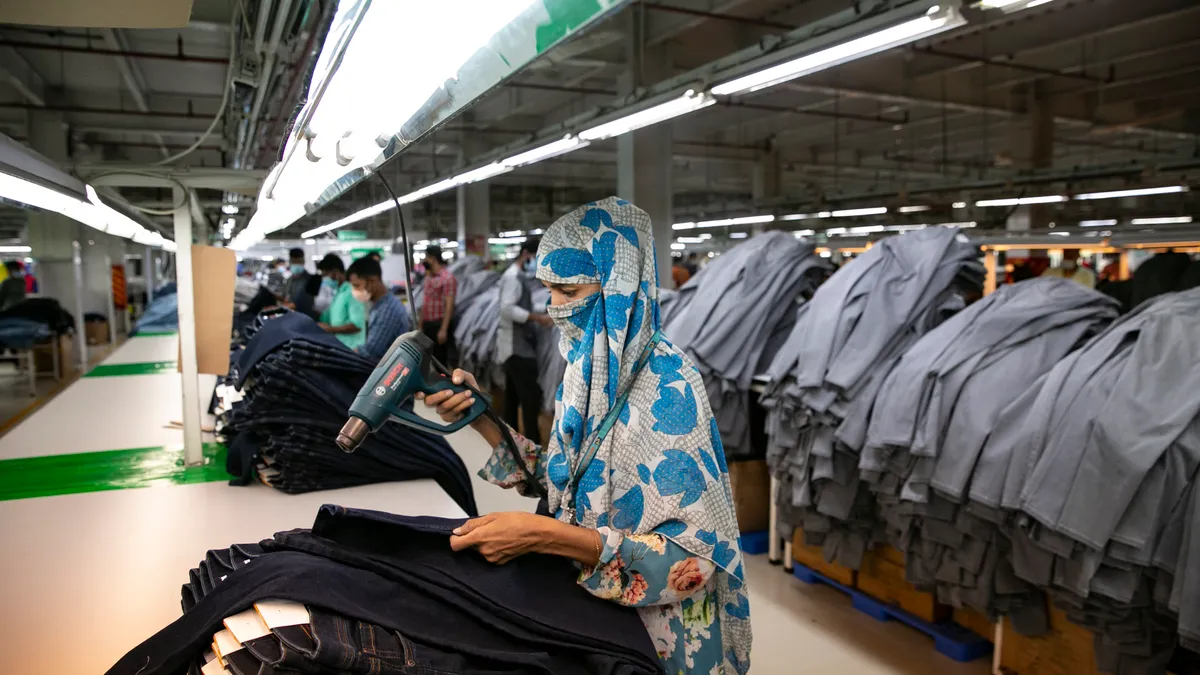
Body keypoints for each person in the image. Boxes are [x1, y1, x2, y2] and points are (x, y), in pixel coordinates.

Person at [418, 197, 751, 674]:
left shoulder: (668, 383)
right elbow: (562, 477)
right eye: (549, 290)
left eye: (569, 293)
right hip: (594, 619)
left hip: (661, 641)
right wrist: (480, 417)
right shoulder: (585, 370)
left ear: (617, 288)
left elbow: (694, 560)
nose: (554, 309)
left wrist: (544, 535)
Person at [498, 237, 553, 442]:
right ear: (526, 254)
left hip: (513, 347)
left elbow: (523, 306)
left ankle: (511, 444)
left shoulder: (519, 277)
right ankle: (532, 444)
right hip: (517, 348)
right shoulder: (513, 278)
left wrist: (546, 310)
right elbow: (508, 309)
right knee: (530, 399)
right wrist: (538, 318)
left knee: (512, 400)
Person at [348, 256, 410, 362]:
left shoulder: (388, 310)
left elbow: (370, 351)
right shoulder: (379, 306)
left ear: (372, 280)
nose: (355, 291)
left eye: (357, 285)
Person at [315, 254, 366, 350]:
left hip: (353, 350)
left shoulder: (352, 292)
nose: (325, 280)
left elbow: (357, 325)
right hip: (342, 348)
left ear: (336, 272)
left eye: (326, 275)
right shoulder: (338, 293)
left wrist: (331, 329)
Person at [420, 245, 457, 366]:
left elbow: (449, 305)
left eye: (426, 257)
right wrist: (420, 325)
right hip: (428, 325)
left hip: (439, 325)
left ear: (432, 258)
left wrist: (443, 330)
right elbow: (425, 302)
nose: (424, 260)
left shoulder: (447, 278)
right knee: (428, 361)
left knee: (440, 363)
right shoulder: (428, 278)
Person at [282, 248, 318, 318]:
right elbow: (285, 296)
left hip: (307, 317)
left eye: (299, 261)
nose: (296, 264)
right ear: (290, 262)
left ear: (304, 261)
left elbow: (310, 303)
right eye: (294, 261)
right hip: (290, 317)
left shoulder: (313, 280)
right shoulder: (289, 280)